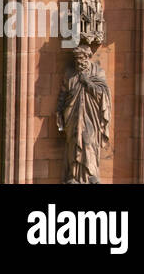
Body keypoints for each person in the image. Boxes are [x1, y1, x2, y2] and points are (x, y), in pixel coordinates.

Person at [56, 45, 111, 184]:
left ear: (87, 57)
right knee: (74, 142)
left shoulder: (97, 72)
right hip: (72, 114)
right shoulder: (70, 74)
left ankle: (90, 174)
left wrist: (87, 82)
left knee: (88, 140)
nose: (79, 62)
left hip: (90, 115)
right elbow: (63, 94)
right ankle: (74, 175)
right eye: (77, 59)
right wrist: (59, 111)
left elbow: (103, 93)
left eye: (81, 58)